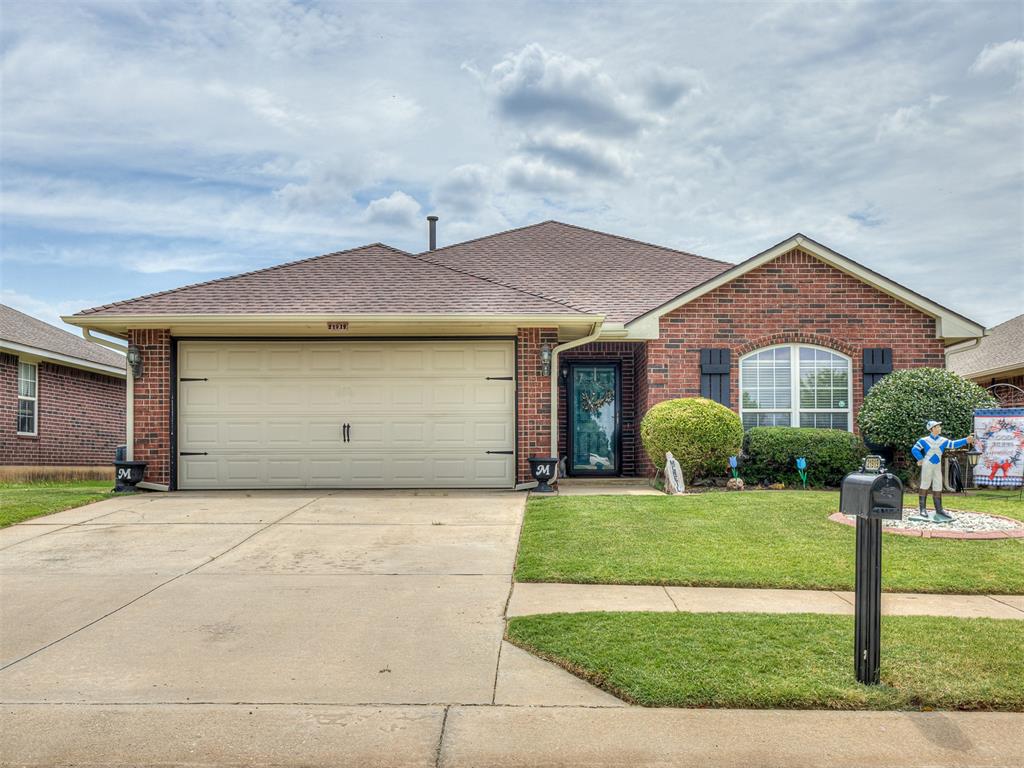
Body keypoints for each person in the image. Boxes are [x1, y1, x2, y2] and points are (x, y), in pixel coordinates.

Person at [911, 420, 975, 522]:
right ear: (932, 429)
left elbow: (953, 444)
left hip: (937, 466)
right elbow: (915, 449)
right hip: (927, 465)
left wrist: (965, 440)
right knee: (925, 484)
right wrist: (920, 458)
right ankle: (922, 509)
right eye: (938, 426)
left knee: (938, 485)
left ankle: (939, 509)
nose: (940, 428)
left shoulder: (943, 440)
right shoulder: (924, 440)